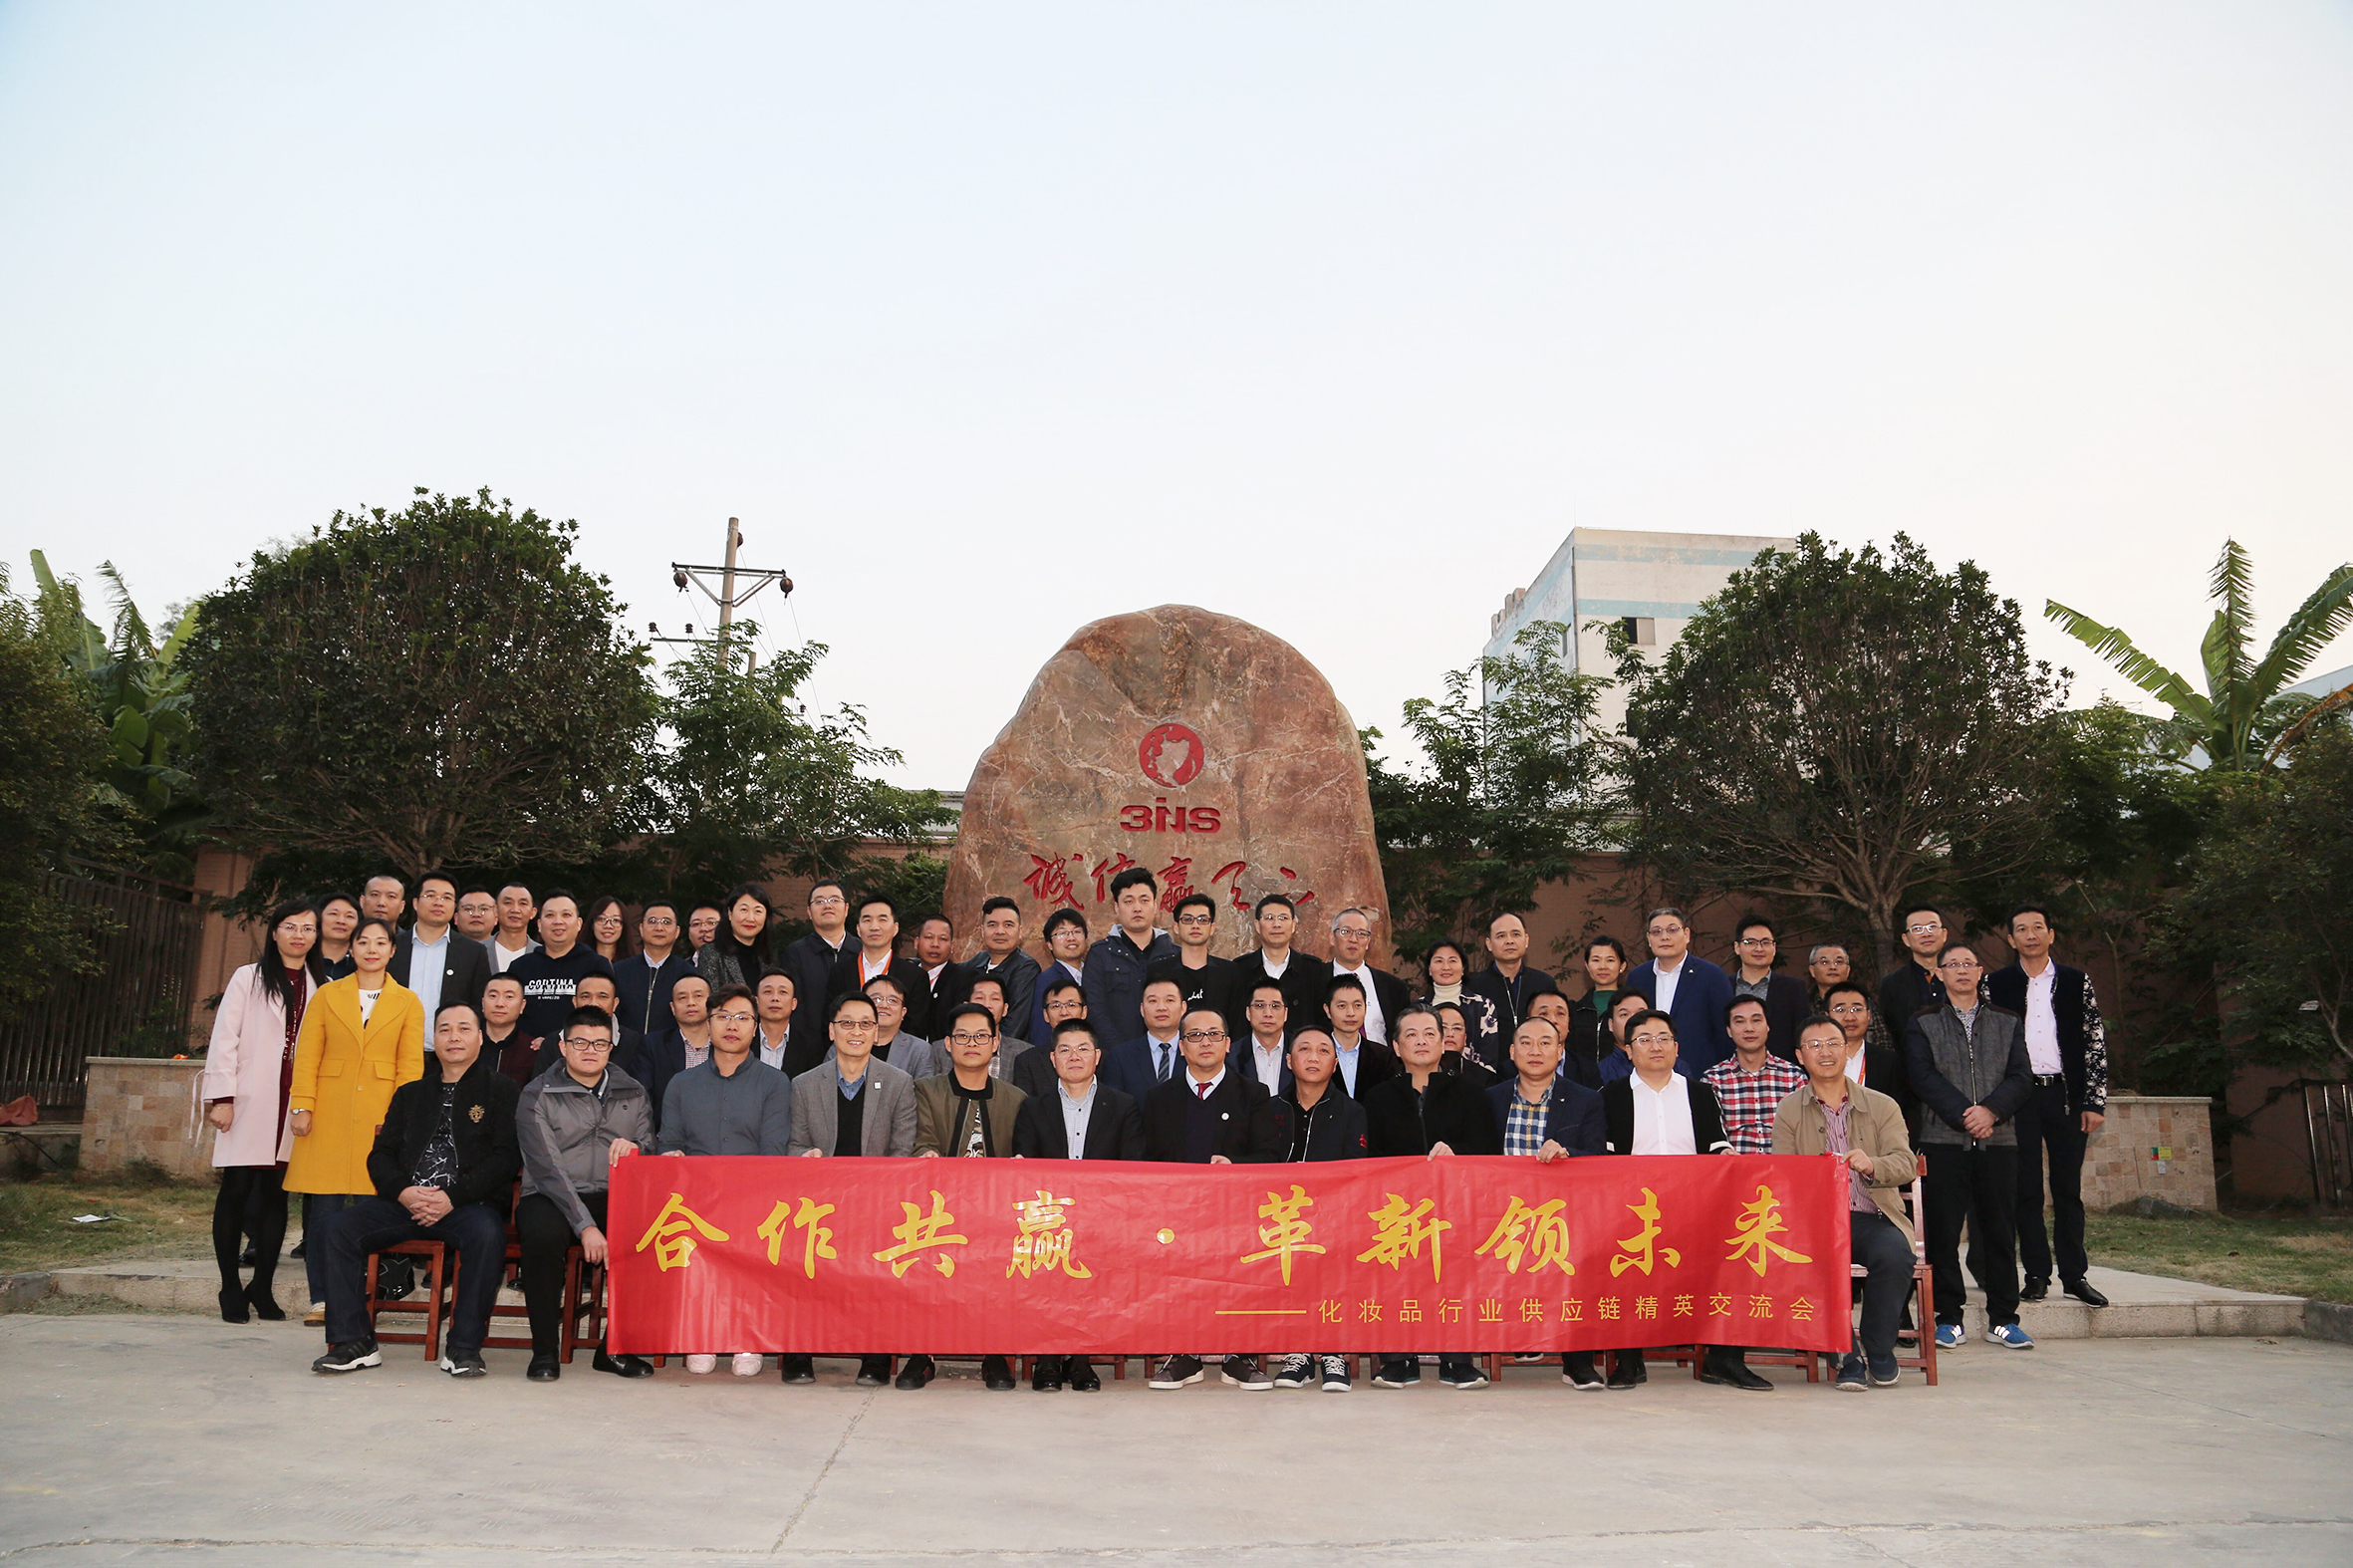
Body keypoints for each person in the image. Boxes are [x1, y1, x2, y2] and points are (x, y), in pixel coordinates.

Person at [309, 1000, 521, 1379]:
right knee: (338, 1228)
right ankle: (353, 1343)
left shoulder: (502, 1090)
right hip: (405, 1202)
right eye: (444, 1029)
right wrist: (403, 1192)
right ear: (433, 1040)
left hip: (466, 1205)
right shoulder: (411, 1093)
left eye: (463, 1028)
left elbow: (506, 1157)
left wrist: (452, 1197)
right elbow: (381, 1155)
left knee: (487, 1234)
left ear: (479, 1037)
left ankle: (463, 1348)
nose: (453, 1037)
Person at [1599, 1008, 1752, 1390]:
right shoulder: (1610, 1096)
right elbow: (1603, 1158)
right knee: (1618, 1258)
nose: (1655, 1046)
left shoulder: (1699, 1093)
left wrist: (1726, 1155)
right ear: (1628, 1050)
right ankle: (1628, 1361)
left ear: (1676, 1047)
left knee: (1737, 1254)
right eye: (1644, 1039)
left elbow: (1716, 1143)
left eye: (1663, 1038)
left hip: (1694, 1210)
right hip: (1632, 1213)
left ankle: (1724, 1359)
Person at [1774, 1013, 1922, 1392]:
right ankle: (1844, 1352)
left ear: (1847, 1050)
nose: (1825, 1052)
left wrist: (1872, 1165)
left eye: (1833, 1044)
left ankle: (1878, 1346)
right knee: (1815, 1259)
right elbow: (1782, 1175)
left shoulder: (1882, 1105)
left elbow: (1906, 1163)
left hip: (1873, 1216)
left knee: (1896, 1254)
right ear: (1800, 1056)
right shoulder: (1789, 1109)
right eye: (1814, 1045)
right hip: (1816, 1222)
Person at [285, 917, 423, 1323]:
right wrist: (301, 1105)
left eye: (381, 942)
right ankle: (321, 1299)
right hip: (328, 1112)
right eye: (363, 942)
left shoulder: (408, 1001)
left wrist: (402, 1122)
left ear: (392, 951)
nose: (372, 949)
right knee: (323, 1213)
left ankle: (364, 1298)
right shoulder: (327, 995)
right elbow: (307, 1054)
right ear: (351, 948)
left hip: (380, 1116)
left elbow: (410, 1067)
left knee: (371, 1210)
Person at [780, 992, 918, 1388]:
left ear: (877, 1033)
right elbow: (795, 1144)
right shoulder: (805, 1084)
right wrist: (805, 1157)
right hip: (819, 1203)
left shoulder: (899, 1083)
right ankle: (799, 1351)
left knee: (877, 1271)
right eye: (846, 1023)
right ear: (831, 1030)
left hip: (877, 1201)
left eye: (865, 1024)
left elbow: (902, 1151)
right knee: (801, 1262)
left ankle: (875, 1355)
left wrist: (874, 1195)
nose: (855, 1031)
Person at [655, 982, 791, 1379]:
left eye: (742, 1018)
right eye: (723, 1017)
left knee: (751, 1231)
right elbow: (671, 1143)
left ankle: (746, 1336)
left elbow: (773, 1150)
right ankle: (701, 1334)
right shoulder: (682, 1084)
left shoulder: (775, 1083)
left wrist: (740, 1194)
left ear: (755, 1027)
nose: (732, 1026)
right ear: (708, 1023)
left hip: (753, 1197)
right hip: (695, 1199)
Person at [1907, 940, 2036, 1351]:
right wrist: (1966, 1114)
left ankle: (2004, 1319)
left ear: (1980, 972)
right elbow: (1922, 1076)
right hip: (1942, 1141)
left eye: (1968, 963)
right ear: (1939, 974)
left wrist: (1991, 1111)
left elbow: (2022, 1076)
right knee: (1942, 1234)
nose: (1961, 970)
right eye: (1952, 964)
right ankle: (1949, 1318)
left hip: (1999, 1140)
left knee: (1999, 1231)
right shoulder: (1922, 1021)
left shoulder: (2007, 1020)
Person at [513, 1005, 654, 1381]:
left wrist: (637, 1148)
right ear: (563, 1046)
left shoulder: (633, 1090)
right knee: (542, 1236)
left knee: (653, 1234)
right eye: (580, 1042)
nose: (590, 1050)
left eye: (599, 1043)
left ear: (611, 1048)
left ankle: (614, 1349)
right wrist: (586, 1226)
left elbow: (650, 1149)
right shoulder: (537, 1093)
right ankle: (544, 1351)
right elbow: (547, 1168)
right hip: (552, 1194)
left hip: (614, 1192)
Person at [1144, 1007, 1282, 1392]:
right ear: (1181, 1047)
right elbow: (1145, 1160)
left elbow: (1271, 1156)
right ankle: (1183, 1356)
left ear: (1227, 1043)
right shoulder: (1158, 1098)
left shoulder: (1253, 1094)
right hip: (1175, 1215)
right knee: (1180, 1282)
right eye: (1194, 1036)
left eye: (1214, 1035)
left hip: (1236, 1213)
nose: (1205, 1042)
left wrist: (1234, 1166)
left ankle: (1238, 1357)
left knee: (1238, 1280)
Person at [202, 899, 326, 1323]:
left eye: (307, 928)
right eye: (290, 926)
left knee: (277, 1195)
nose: (298, 935)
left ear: (316, 936)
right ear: (274, 933)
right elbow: (225, 1038)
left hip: (295, 1104)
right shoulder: (248, 978)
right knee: (236, 1190)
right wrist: (222, 1098)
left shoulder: (323, 985)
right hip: (249, 1099)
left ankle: (262, 1286)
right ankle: (230, 1287)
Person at [1361, 1004, 1496, 1389]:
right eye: (1411, 1035)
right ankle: (1397, 1360)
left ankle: (1458, 1360)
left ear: (1443, 1042)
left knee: (1456, 1279)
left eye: (1429, 1034)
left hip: (1456, 1209)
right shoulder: (1378, 1098)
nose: (1421, 1041)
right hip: (1396, 1211)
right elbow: (1368, 1158)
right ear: (1396, 1046)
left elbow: (1489, 1151)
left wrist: (1457, 1153)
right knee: (1394, 1279)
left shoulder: (1472, 1094)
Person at [1010, 1019, 1145, 1392]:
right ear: (1052, 1059)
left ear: (1097, 1056)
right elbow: (1025, 1168)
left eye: (1083, 1049)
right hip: (1049, 1220)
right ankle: (1048, 1359)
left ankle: (1081, 1360)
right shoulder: (1033, 1108)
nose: (1074, 1056)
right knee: (1044, 1272)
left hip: (1103, 1219)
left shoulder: (1122, 1106)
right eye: (1065, 1050)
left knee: (1092, 1272)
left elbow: (1132, 1168)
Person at [1986, 906, 2112, 1308]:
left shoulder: (2076, 981)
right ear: (2011, 940)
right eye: (2021, 929)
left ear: (2051, 934)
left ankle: (2074, 1276)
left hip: (2065, 1096)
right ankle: (2037, 1273)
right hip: (2018, 1097)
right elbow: (1989, 1047)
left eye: (2038, 927)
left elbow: (2094, 1041)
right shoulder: (1996, 984)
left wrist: (2093, 1100)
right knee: (2025, 1190)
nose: (2031, 935)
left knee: (2068, 1190)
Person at [905, 1003, 1027, 1392]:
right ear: (947, 1044)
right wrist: (927, 1156)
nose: (971, 1043)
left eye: (980, 1036)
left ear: (996, 1043)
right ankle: (922, 1353)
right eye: (962, 1036)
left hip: (996, 1213)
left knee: (1001, 1262)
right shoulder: (926, 1090)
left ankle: (996, 1353)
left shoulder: (1016, 1098)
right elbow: (923, 1140)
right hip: (938, 1208)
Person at [1486, 1017, 1607, 1389]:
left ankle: (1577, 1362)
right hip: (1501, 1216)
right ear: (1512, 1052)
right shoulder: (1490, 1098)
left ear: (1560, 1051)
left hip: (1565, 1215)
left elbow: (1599, 1157)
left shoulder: (1586, 1099)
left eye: (1544, 1043)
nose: (1535, 1051)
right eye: (1525, 1043)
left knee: (1580, 1267)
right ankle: (1514, 1338)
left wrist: (1569, 1153)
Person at [1266, 1027, 1369, 1393]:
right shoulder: (1271, 1109)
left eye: (1324, 1050)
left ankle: (1332, 1353)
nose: (1313, 1057)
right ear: (1289, 1061)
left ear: (1335, 1063)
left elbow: (1356, 1168)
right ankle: (1299, 1355)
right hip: (1280, 1218)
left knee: (1334, 1270)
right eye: (1304, 1050)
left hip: (1334, 1218)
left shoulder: (1351, 1111)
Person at [1626, 907, 1735, 1075]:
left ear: (1686, 934)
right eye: (1656, 932)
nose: (1664, 937)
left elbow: (1725, 1033)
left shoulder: (1712, 976)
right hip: (1647, 1075)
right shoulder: (1637, 978)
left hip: (1699, 1075)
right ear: (1648, 939)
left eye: (1672, 930)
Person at [392, 872, 492, 1040]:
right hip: (394, 1047)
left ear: (454, 906)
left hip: (451, 1049)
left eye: (446, 898)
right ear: (415, 903)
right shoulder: (392, 947)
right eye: (430, 896)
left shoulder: (473, 952)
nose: (438, 902)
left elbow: (480, 1006)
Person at [1874, 904, 1948, 1135]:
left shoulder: (1963, 976)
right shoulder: (1891, 984)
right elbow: (1889, 1035)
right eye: (1917, 929)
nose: (1926, 933)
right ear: (1906, 939)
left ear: (1944, 934)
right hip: (1911, 1089)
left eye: (1932, 927)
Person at [1701, 996, 1807, 1156]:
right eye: (1740, 1022)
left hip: (1783, 1166)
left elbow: (1805, 1132)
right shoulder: (1713, 1079)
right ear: (1729, 1030)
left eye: (1756, 1020)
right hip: (1734, 1167)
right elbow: (1710, 1136)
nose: (1749, 1028)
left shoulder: (1793, 1076)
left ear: (1768, 1026)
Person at [507, 891, 614, 1049]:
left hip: (578, 1051)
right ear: (539, 925)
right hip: (524, 1053)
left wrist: (555, 1040)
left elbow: (602, 1016)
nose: (558, 921)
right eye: (550, 915)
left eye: (566, 915)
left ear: (579, 923)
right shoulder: (520, 967)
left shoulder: (596, 965)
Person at [1084, 867, 1176, 1044]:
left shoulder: (1174, 954)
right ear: (1116, 907)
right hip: (1116, 1053)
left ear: (1155, 905)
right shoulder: (1100, 954)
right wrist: (1123, 1053)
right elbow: (1095, 1012)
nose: (1137, 908)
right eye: (1128, 901)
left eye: (1144, 900)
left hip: (1169, 1054)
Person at [1460, 913, 1561, 1071]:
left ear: (1526, 940)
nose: (1509, 941)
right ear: (1489, 944)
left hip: (1537, 1069)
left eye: (1515, 934)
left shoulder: (1544, 983)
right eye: (1501, 936)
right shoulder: (1473, 987)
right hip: (1489, 1072)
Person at [829, 894, 933, 1042]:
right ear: (858, 929)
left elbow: (916, 1029)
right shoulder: (840, 972)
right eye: (867, 920)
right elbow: (831, 1019)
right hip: (849, 1048)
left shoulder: (915, 976)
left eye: (882, 920)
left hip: (896, 1054)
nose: (874, 927)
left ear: (895, 928)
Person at [1224, 894, 1328, 1042]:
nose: (1276, 924)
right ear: (1257, 926)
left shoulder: (1314, 971)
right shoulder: (1239, 970)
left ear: (1293, 925)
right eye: (1269, 918)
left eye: (1283, 918)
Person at [779, 881, 852, 1072]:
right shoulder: (795, 953)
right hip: (808, 1057)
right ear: (809, 912)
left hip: (857, 1049)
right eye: (819, 901)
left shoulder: (861, 951)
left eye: (834, 900)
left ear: (846, 909)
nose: (827, 905)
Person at [949, 897, 1040, 1044]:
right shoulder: (979, 960)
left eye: (1008, 925)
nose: (1000, 931)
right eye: (992, 925)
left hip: (1002, 1050)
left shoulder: (1026, 968)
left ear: (1020, 931)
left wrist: (983, 1044)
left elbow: (1015, 1025)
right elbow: (949, 972)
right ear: (982, 931)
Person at [526, 972, 644, 1083]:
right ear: (575, 1002)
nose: (593, 1003)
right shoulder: (552, 1042)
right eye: (585, 996)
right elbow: (539, 1089)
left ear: (615, 1003)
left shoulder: (633, 1042)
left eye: (602, 997)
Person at [1148, 893, 1238, 1034]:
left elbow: (1236, 1024)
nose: (1195, 925)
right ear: (1176, 927)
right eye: (1188, 919)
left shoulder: (1229, 972)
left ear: (1212, 928)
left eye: (1202, 920)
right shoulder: (1158, 971)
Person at [1728, 915, 1811, 1062]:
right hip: (1730, 1071)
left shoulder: (1794, 989)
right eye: (1750, 942)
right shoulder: (1722, 986)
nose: (1759, 948)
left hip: (1782, 1071)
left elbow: (1804, 1036)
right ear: (1737, 947)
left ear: (1774, 948)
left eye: (1765, 942)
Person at [638, 972, 713, 1126]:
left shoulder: (727, 1045)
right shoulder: (653, 1045)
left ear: (712, 1003)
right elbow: (642, 1098)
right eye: (682, 998)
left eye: (698, 996)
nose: (690, 1003)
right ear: (672, 1008)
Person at [614, 899, 696, 1039]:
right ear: (641, 929)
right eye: (652, 921)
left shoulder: (689, 974)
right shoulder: (619, 971)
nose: (659, 928)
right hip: (625, 1048)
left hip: (670, 1049)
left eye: (666, 922)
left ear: (677, 931)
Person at [1100, 976, 1189, 1103]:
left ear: (1183, 1007)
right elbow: (1114, 1107)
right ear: (1142, 1009)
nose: (1161, 1007)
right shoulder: (1120, 1057)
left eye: (1169, 1000)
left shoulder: (1196, 1051)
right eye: (1153, 1001)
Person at [1327, 907, 1408, 1045]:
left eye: (1361, 933)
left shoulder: (1393, 987)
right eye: (1346, 932)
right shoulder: (1314, 980)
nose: (1353, 939)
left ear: (1368, 942)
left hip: (1381, 1057)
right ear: (1332, 938)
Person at [1420, 938, 1503, 1065]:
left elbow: (1489, 1058)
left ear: (1463, 968)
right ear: (1429, 969)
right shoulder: (1418, 1008)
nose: (1446, 967)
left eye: (1452, 961)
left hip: (1474, 1076)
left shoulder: (1483, 1007)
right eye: (1439, 961)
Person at [1323, 974, 1399, 1099]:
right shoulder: (1316, 1055)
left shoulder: (1384, 1057)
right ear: (1327, 1010)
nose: (1351, 1013)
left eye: (1357, 1005)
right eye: (1342, 1006)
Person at [1563, 937, 1629, 1076]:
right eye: (1596, 960)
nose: (1602, 966)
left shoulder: (1632, 1010)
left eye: (1610, 960)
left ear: (1622, 966)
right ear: (1587, 966)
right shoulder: (1573, 1010)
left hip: (1622, 1080)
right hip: (1581, 1082)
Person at [1009, 977, 1084, 1097]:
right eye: (1056, 1006)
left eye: (1071, 1005)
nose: (1064, 1012)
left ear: (1084, 1012)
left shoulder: (1103, 1059)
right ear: (1046, 1015)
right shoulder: (1027, 1062)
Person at [696, 882, 775, 995]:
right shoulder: (711, 953)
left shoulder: (769, 957)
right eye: (744, 910)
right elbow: (710, 999)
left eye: (758, 911)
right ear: (730, 913)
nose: (750, 918)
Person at [1028, 908, 1089, 1046]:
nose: (1071, 938)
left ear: (1086, 938)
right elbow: (1041, 1031)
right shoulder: (1046, 981)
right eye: (1062, 933)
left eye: (1077, 931)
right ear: (1049, 944)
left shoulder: (1095, 974)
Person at [866, 973, 944, 1079]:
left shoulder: (920, 1050)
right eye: (876, 999)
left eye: (892, 1001)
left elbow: (924, 1088)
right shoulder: (847, 1042)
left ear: (903, 1012)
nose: (884, 1005)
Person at [1230, 980, 1292, 1099]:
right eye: (1259, 1006)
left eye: (1275, 1006)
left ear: (1285, 1013)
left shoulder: (1300, 1052)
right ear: (1248, 1013)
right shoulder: (1231, 1056)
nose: (1268, 1013)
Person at [1527, 991, 1600, 1091]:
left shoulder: (1587, 1070)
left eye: (1560, 1014)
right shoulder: (1511, 1070)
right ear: (1528, 1022)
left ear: (1569, 1022)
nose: (1553, 1020)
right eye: (1544, 1014)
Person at [484, 976, 538, 1088]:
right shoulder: (466, 1045)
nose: (499, 1004)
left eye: (509, 997)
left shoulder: (533, 1051)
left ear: (522, 1005)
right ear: (483, 1003)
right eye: (493, 996)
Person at [1433, 1002, 1499, 1090]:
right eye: (1443, 1028)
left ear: (1465, 1039)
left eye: (1457, 1028)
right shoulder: (1419, 1070)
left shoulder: (1485, 1078)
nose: (1450, 1034)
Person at [912, 914, 958, 1027]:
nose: (935, 944)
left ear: (952, 946)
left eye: (943, 939)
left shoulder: (964, 979)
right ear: (916, 943)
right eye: (929, 937)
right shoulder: (905, 976)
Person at [1595, 991, 1650, 1085]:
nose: (1633, 1020)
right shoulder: (1599, 1073)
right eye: (1624, 1014)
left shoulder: (1670, 1063)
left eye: (1640, 1014)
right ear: (1611, 1024)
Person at [487, 884, 539, 974]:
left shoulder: (543, 954)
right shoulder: (476, 951)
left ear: (533, 912)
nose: (515, 910)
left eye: (523, 904)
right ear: (495, 910)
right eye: (508, 903)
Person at [752, 969, 797, 1069]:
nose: (775, 998)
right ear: (756, 1001)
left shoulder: (810, 1046)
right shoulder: (743, 1041)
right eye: (768, 992)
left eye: (783, 992)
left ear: (794, 1003)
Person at [315, 893, 361, 979]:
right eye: (333, 914)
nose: (341, 921)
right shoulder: (303, 958)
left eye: (349, 916)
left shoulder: (363, 963)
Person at [585, 896, 635, 965]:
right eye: (601, 919)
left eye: (615, 920)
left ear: (624, 926)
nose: (608, 926)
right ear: (592, 924)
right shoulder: (578, 961)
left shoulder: (633, 965)